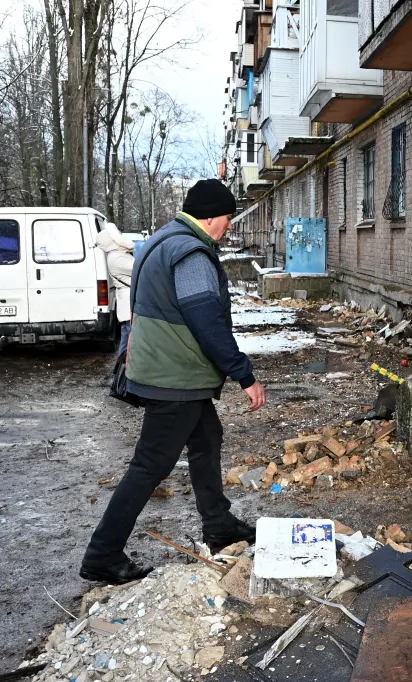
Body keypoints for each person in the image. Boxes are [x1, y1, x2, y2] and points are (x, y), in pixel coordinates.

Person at [80, 179, 267, 584]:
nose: (229, 228)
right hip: (174, 375)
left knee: (206, 439)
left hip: (168, 367)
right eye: (228, 219)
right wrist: (244, 375)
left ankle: (218, 524)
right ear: (213, 216)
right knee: (150, 465)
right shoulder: (191, 252)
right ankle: (103, 554)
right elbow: (207, 321)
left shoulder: (163, 239)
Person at [95, 222, 135, 356]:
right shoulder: (117, 257)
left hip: (127, 303)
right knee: (130, 338)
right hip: (128, 303)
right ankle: (123, 368)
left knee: (127, 337)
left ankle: (122, 367)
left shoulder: (117, 255)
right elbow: (141, 267)